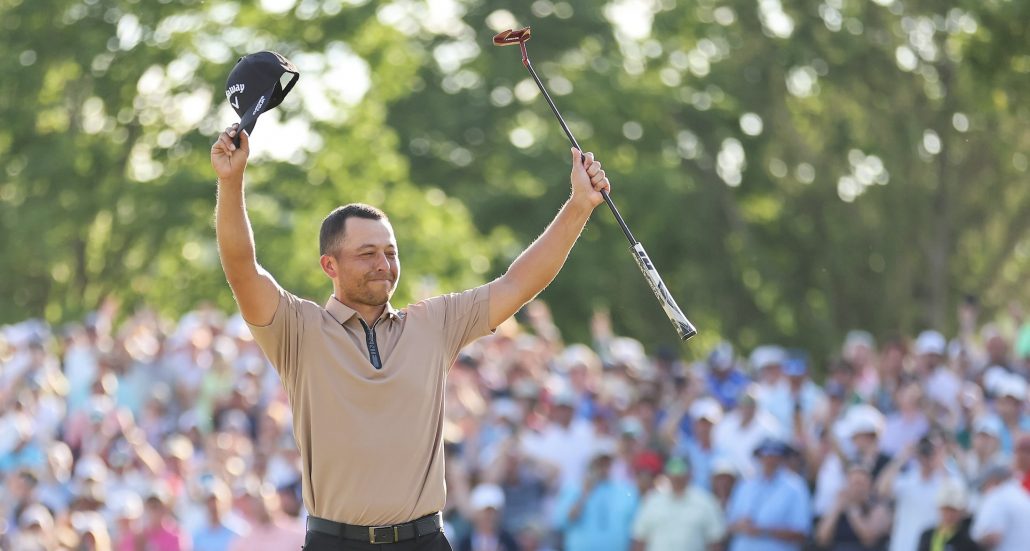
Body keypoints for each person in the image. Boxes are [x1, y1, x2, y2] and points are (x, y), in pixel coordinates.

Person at [211, 116, 612, 551]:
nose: (383, 265)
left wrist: (578, 206)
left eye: (390, 252)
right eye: (366, 254)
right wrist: (231, 184)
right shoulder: (297, 329)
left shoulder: (434, 323)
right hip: (335, 542)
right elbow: (242, 268)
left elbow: (517, 284)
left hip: (423, 540)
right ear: (330, 266)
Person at [725, 438, 811, 551]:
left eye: (774, 456)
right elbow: (728, 524)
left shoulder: (795, 487)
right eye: (766, 456)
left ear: (782, 459)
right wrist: (740, 526)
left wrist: (764, 531)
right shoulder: (745, 485)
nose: (769, 460)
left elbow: (801, 533)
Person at [553, 443, 639, 551]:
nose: (603, 467)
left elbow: (636, 529)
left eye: (606, 463)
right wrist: (584, 494)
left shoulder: (625, 490)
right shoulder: (573, 488)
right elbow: (561, 522)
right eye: (598, 463)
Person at [630, 455, 725, 551]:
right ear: (667, 474)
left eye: (681, 473)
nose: (677, 477)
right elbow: (639, 539)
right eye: (673, 473)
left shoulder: (705, 502)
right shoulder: (652, 502)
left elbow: (715, 542)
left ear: (689, 474)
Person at [814, 464, 891, 551]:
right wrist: (836, 509)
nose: (857, 488)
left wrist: (853, 511)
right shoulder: (837, 508)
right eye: (854, 483)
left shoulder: (878, 508)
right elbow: (821, 539)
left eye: (861, 484)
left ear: (870, 486)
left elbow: (869, 539)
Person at [969, 465, 1030, 551]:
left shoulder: (997, 496)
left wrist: (977, 538)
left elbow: (993, 537)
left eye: (985, 484)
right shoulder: (1024, 496)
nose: (984, 489)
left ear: (993, 480)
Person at [916, 480, 980, 551]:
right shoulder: (927, 535)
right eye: (946, 509)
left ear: (961, 512)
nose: (949, 515)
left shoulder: (967, 543)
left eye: (953, 510)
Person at [454, 484, 519, 551]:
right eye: (485, 512)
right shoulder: (463, 542)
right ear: (476, 513)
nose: (489, 516)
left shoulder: (509, 541)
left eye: (493, 512)